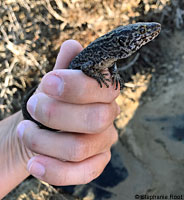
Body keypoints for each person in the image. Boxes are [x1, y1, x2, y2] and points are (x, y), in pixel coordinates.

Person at [0, 40, 120, 199]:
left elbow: (108, 62)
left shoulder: (113, 51)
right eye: (141, 33)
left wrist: (24, 137)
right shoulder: (112, 48)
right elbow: (86, 67)